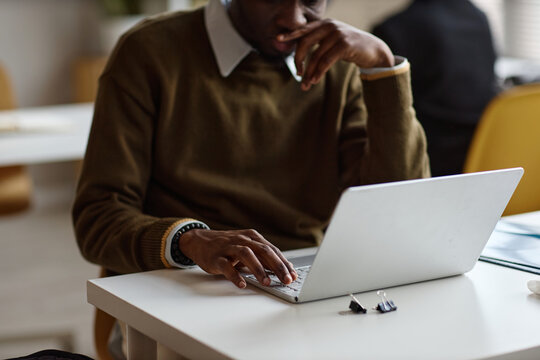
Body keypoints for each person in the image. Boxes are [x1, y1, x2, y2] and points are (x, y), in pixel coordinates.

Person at [72, 0, 430, 290]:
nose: (292, 17)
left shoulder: (338, 65)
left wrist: (382, 68)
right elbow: (98, 219)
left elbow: (399, 206)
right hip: (179, 285)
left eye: (310, 1)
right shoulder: (149, 52)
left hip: (298, 281)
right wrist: (191, 240)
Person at [372, 0, 498, 176]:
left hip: (427, 161)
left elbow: (383, 114)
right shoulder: (478, 16)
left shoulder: (396, 28)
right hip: (486, 153)